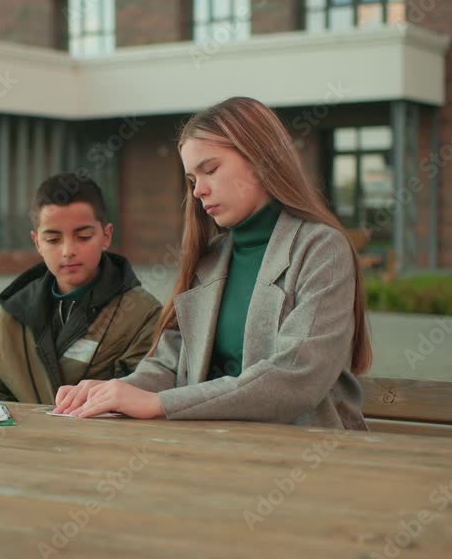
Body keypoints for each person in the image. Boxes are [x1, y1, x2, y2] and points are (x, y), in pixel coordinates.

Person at [53, 96, 373, 430]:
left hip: (306, 451)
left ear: (261, 160)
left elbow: (297, 377)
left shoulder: (321, 249)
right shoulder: (211, 257)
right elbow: (170, 366)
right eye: (192, 179)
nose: (198, 191)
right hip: (218, 447)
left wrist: (158, 404)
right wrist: (111, 392)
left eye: (210, 170)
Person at [0, 172, 163, 403]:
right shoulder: (10, 315)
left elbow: (145, 396)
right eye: (53, 240)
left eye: (83, 236)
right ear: (37, 242)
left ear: (106, 236)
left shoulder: (143, 315)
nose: (68, 251)